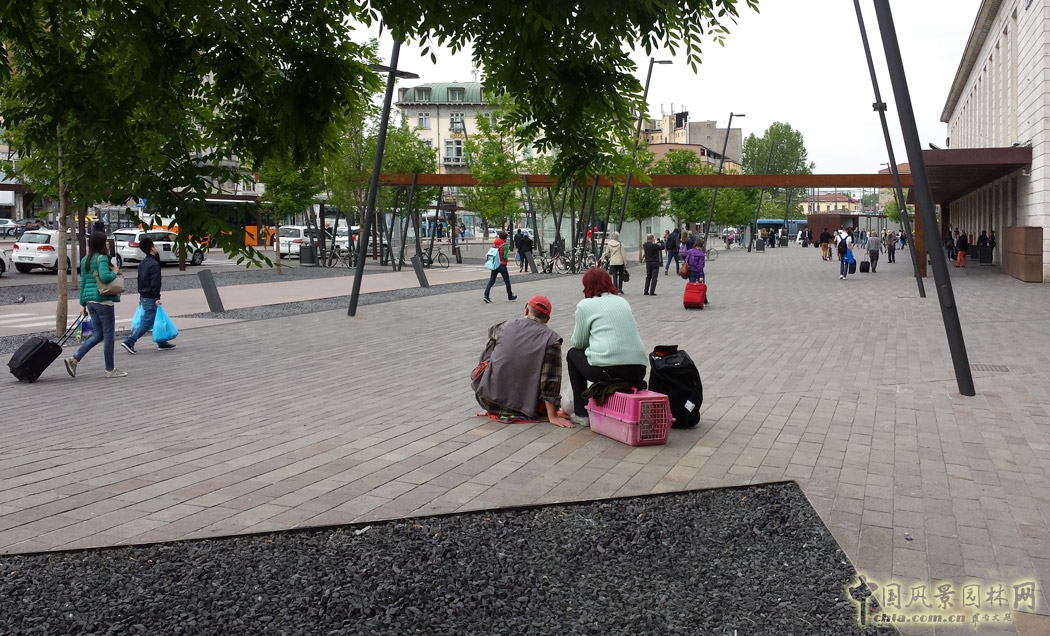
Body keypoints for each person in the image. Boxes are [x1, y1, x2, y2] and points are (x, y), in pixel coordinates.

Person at [472, 295, 574, 428]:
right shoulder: (551, 339)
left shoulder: (503, 326)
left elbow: (487, 358)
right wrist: (553, 416)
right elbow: (550, 381)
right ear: (547, 319)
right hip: (524, 408)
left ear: (526, 310)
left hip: (487, 399)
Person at [565, 268, 648, 427]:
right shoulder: (622, 301)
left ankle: (581, 413)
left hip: (607, 369)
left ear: (587, 285)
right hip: (638, 369)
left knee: (572, 355)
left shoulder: (585, 305)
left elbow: (579, 343)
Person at [65, 231, 126, 379]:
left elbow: (84, 284)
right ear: (100, 243)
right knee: (109, 335)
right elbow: (105, 277)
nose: (107, 243)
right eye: (105, 241)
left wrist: (83, 304)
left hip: (91, 302)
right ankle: (110, 369)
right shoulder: (103, 258)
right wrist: (116, 272)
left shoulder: (86, 259)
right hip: (103, 301)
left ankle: (74, 359)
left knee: (98, 334)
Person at [121, 236, 176, 354]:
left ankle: (162, 342)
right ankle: (129, 341)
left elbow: (140, 279)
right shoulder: (154, 264)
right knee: (148, 321)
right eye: (154, 246)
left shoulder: (142, 263)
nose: (155, 248)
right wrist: (157, 297)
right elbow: (155, 282)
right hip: (151, 296)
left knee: (155, 319)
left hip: (144, 295)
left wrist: (141, 295)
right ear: (152, 248)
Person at [483, 230, 517, 303]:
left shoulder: (495, 244)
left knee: (492, 281)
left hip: (495, 264)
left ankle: (486, 295)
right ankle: (510, 296)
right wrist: (506, 260)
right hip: (502, 265)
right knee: (507, 281)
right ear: (505, 238)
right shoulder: (505, 246)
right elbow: (505, 256)